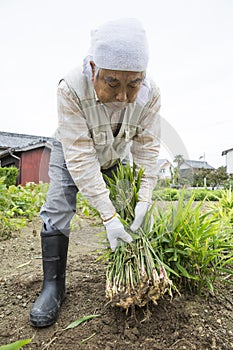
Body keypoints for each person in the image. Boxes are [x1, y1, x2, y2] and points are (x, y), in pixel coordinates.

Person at [29, 18, 161, 328]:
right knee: (59, 206)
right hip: (72, 150)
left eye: (133, 84)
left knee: (129, 209)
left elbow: (148, 147)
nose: (124, 96)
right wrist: (107, 215)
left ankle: (128, 271)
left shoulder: (150, 95)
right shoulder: (71, 87)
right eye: (113, 82)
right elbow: (81, 157)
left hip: (116, 152)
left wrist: (143, 198)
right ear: (93, 69)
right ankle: (53, 286)